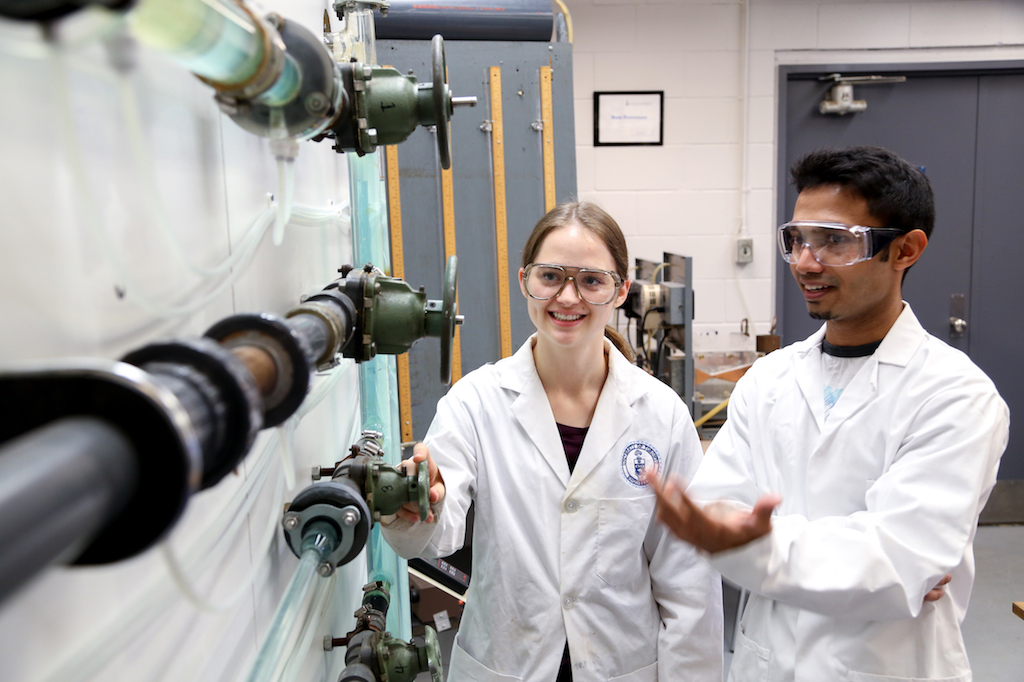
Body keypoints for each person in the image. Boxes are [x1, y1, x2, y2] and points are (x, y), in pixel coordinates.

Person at [648, 146, 1009, 681]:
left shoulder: (956, 395)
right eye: (797, 239)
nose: (805, 262)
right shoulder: (770, 381)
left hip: (888, 665)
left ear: (905, 249)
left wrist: (754, 547)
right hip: (766, 661)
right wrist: (844, 556)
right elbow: (716, 511)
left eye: (836, 241)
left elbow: (896, 563)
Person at [381, 201, 723, 681]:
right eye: (550, 277)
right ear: (524, 280)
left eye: (590, 280)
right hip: (506, 663)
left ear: (621, 290)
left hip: (623, 666)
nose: (567, 297)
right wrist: (415, 508)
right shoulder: (476, 402)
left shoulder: (661, 415)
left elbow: (689, 579)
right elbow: (438, 533)